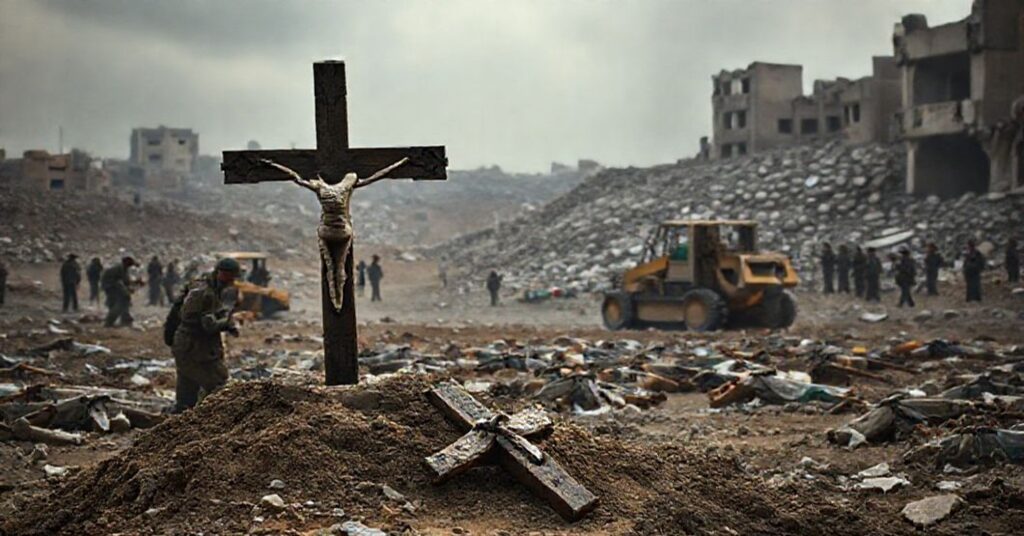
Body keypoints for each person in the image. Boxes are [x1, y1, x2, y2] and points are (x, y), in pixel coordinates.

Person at [171, 257, 241, 412]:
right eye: (231, 276)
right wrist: (227, 322)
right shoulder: (204, 292)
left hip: (190, 345)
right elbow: (208, 325)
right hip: (195, 347)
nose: (232, 281)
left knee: (188, 389)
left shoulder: (212, 287)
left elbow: (214, 313)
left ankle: (181, 420)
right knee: (219, 385)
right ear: (222, 273)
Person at [101, 257, 137, 327]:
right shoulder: (119, 269)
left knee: (122, 301)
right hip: (110, 286)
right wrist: (129, 288)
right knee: (120, 304)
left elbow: (126, 281)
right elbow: (123, 282)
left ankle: (124, 319)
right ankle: (109, 322)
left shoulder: (122, 268)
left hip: (112, 286)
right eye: (130, 264)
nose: (130, 266)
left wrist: (134, 283)